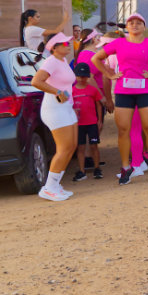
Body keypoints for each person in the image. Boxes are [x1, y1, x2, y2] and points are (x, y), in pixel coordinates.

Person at [93, 13, 148, 185]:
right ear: (127, 27)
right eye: (131, 22)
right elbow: (96, 58)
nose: (135, 25)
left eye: (139, 22)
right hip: (124, 91)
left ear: (144, 27)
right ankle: (126, 167)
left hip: (146, 90)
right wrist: (109, 73)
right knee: (123, 130)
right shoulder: (119, 43)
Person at [31, 33, 79, 201]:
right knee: (64, 148)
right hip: (54, 108)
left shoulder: (63, 60)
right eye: (64, 43)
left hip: (66, 107)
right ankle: (49, 187)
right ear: (54, 47)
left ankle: (55, 184)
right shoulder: (51, 61)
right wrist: (57, 92)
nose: (68, 44)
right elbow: (36, 81)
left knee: (72, 145)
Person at [70, 63, 105, 181]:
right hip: (79, 124)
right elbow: (68, 106)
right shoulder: (72, 91)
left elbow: (98, 105)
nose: (82, 79)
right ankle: (82, 170)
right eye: (79, 76)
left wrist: (99, 120)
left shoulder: (93, 90)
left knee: (94, 146)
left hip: (91, 123)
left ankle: (97, 168)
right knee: (81, 147)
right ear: (75, 76)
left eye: (84, 76)